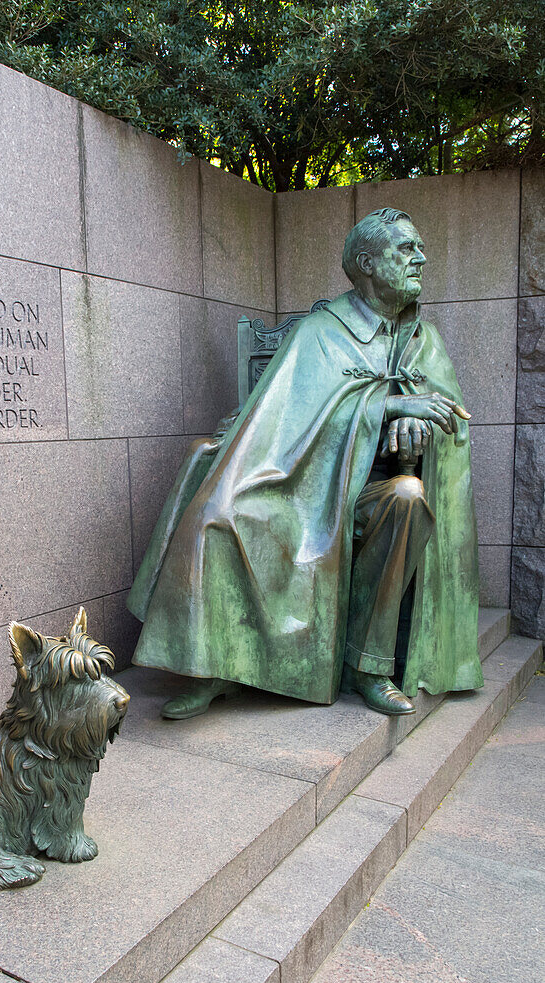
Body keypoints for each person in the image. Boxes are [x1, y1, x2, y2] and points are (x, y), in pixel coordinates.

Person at [127, 208, 483, 717]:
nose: (421, 259)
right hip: (298, 489)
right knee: (217, 516)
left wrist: (418, 431)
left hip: (370, 490)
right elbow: (281, 421)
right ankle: (213, 664)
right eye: (406, 249)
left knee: (408, 498)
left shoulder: (425, 343)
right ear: (366, 263)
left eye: (419, 248)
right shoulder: (319, 331)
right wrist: (386, 405)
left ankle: (369, 667)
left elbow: (451, 419)